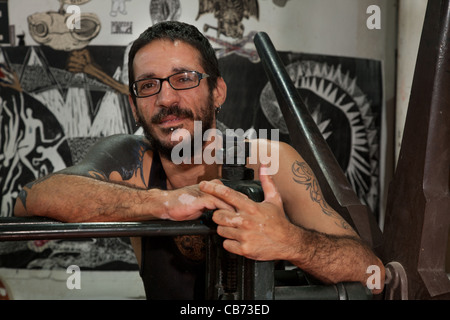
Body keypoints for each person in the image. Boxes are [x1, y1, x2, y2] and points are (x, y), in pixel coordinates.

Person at [14, 21, 384, 299]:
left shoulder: (269, 160)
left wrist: (291, 242)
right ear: (134, 104)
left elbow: (371, 272)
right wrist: (164, 203)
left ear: (217, 91)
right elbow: (30, 199)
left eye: (184, 79)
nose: (165, 98)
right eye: (148, 85)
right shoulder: (132, 160)